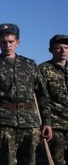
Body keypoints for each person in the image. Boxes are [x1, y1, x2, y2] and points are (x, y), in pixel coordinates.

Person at [0, 23, 52, 165]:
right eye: (3, 42)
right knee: (4, 161)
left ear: (17, 42)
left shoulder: (30, 65)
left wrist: (47, 122)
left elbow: (42, 95)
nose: (7, 45)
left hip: (30, 123)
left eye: (11, 41)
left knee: (29, 161)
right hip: (4, 123)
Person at [39, 34, 68, 165]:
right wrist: (46, 123)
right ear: (50, 50)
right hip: (56, 125)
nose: (63, 51)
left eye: (66, 48)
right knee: (57, 161)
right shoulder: (43, 69)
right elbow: (41, 99)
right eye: (59, 48)